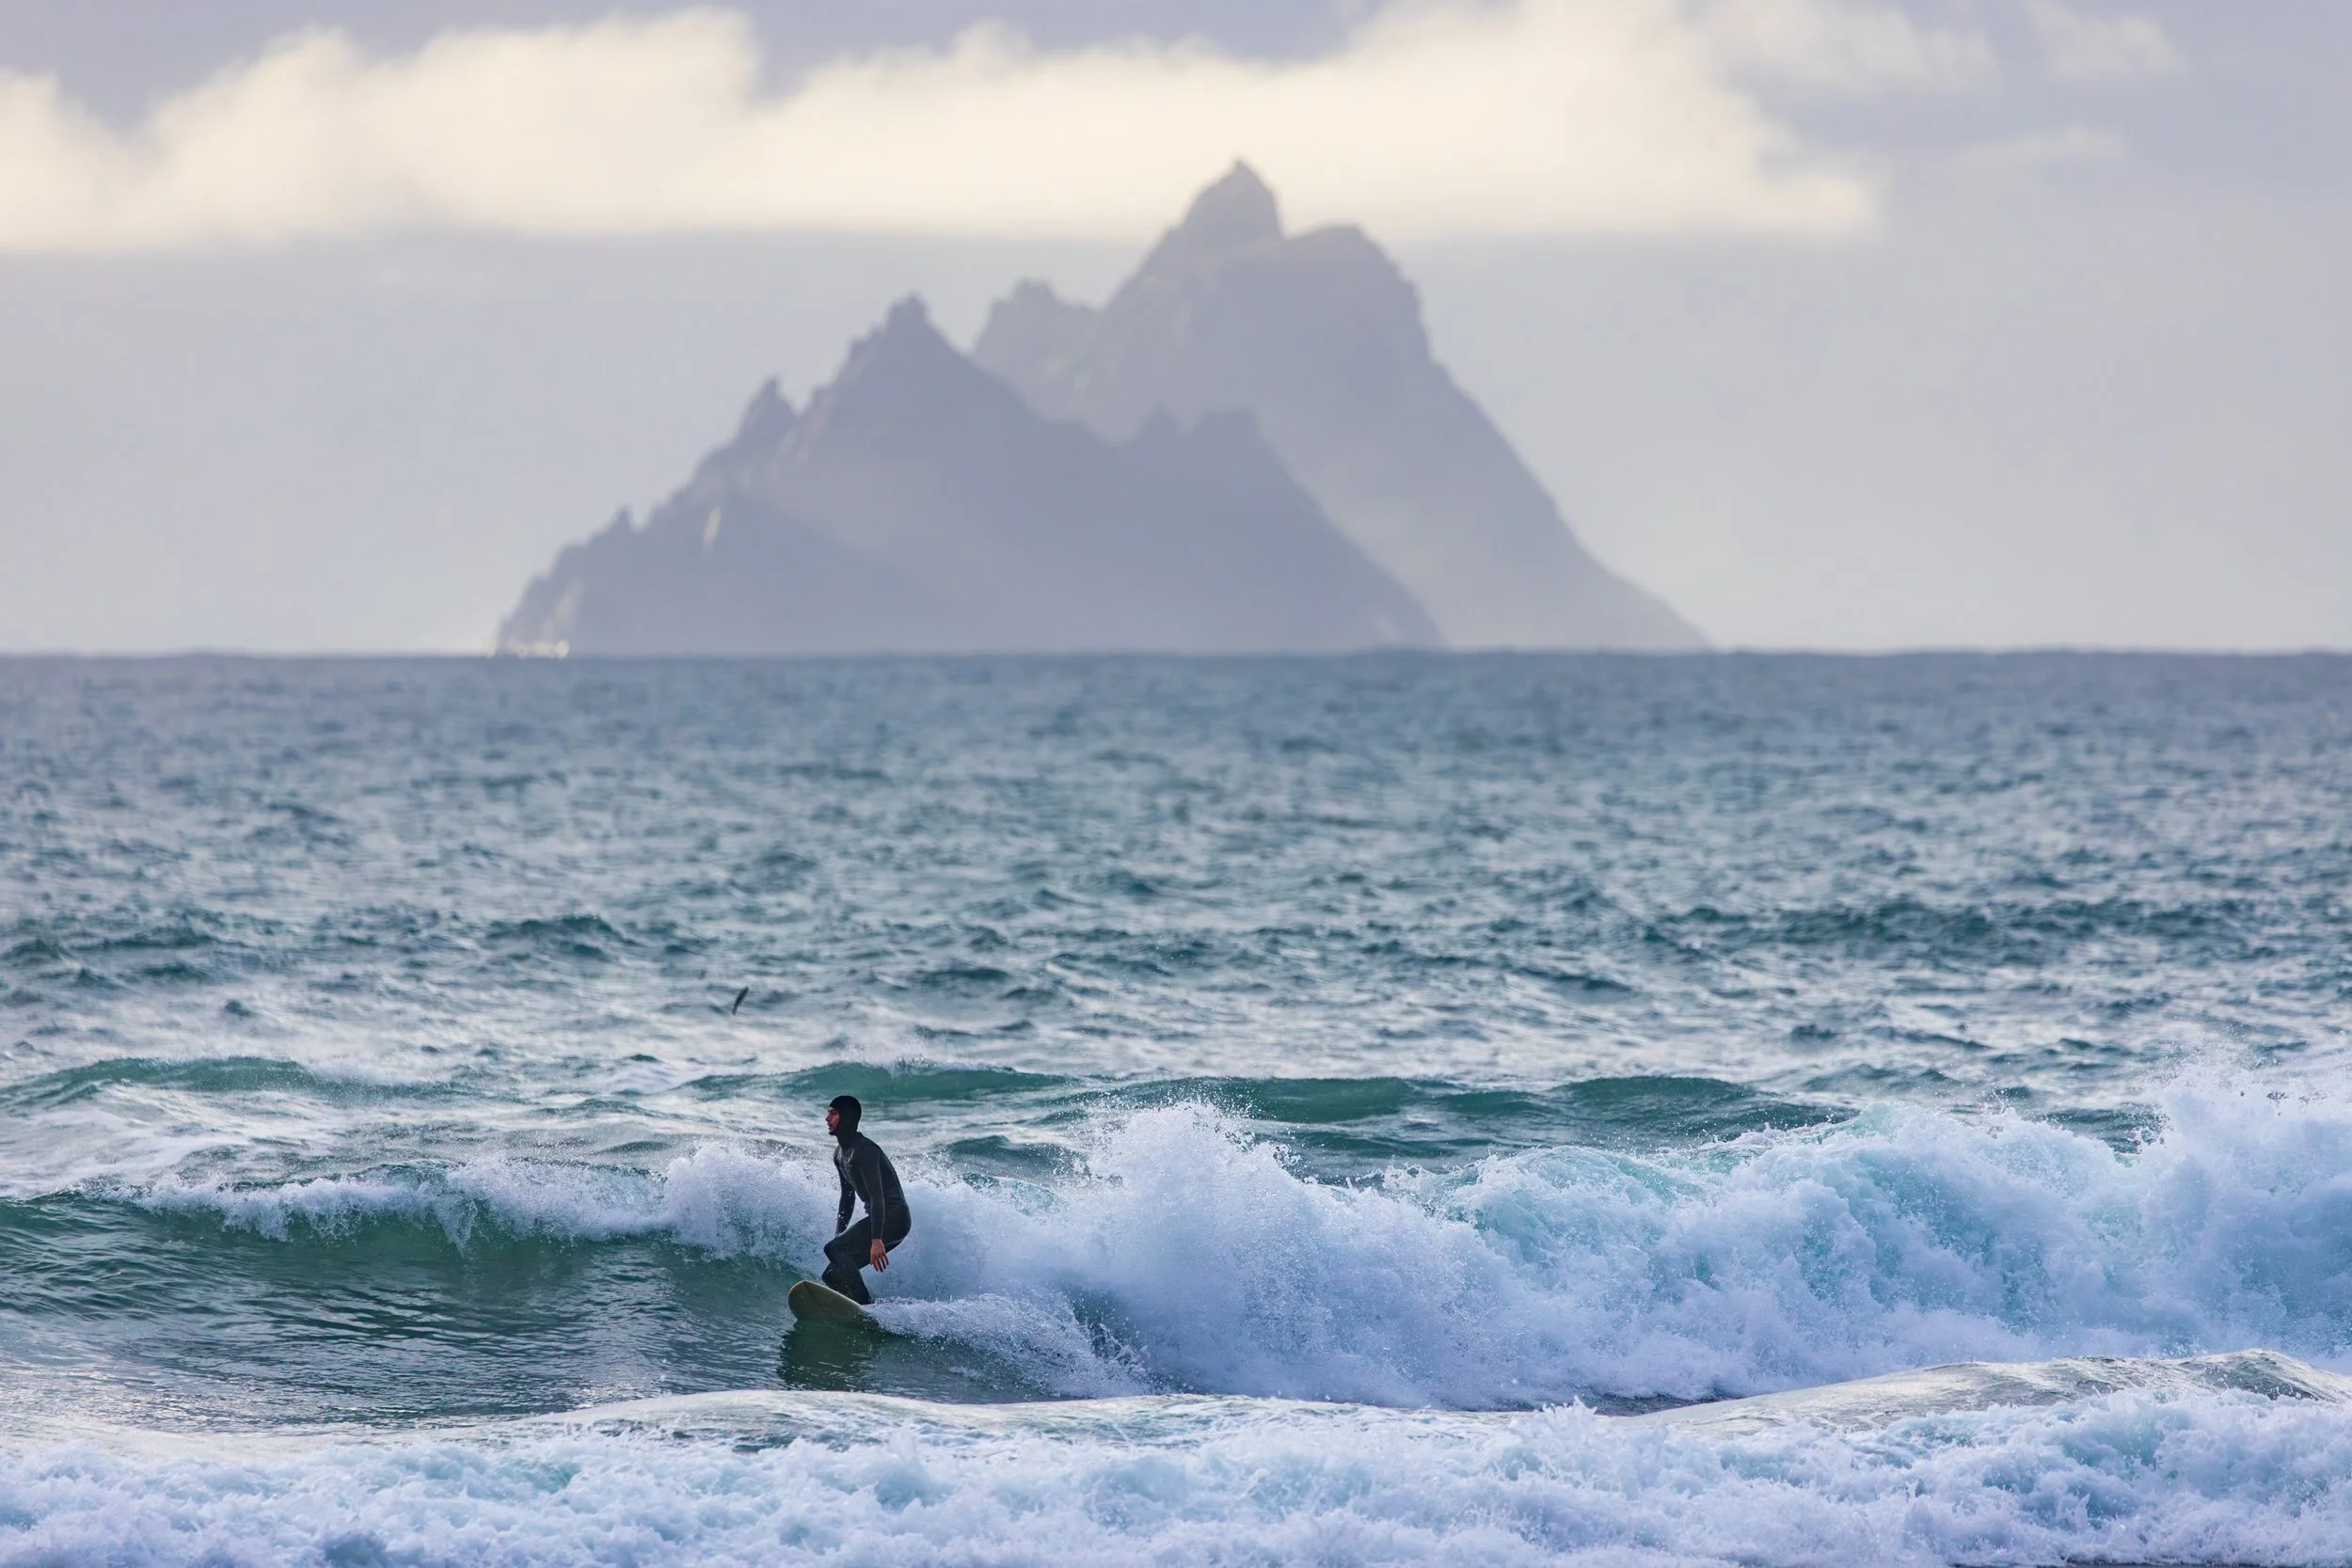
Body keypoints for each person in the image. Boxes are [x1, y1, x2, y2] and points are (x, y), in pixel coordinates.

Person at [820, 1094, 909, 1304]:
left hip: (893, 1218)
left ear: (847, 1118)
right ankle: (861, 1307)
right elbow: (847, 1196)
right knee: (832, 1273)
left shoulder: (866, 1151)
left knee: (834, 1250)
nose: (827, 1118)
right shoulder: (840, 1154)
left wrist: (876, 1240)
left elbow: (877, 1197)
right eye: (828, 1113)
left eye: (833, 1113)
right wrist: (839, 1234)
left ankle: (867, 1309)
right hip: (883, 1220)